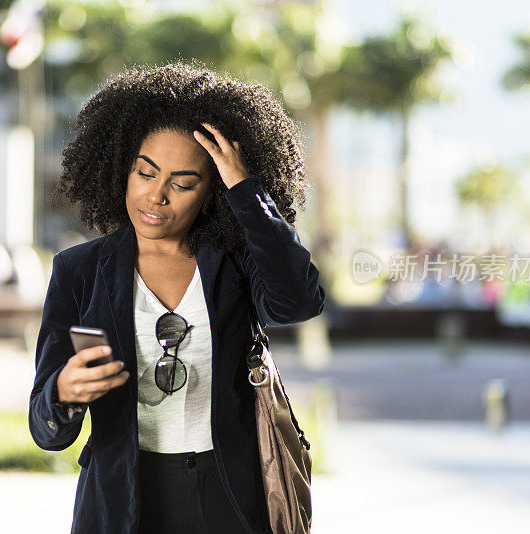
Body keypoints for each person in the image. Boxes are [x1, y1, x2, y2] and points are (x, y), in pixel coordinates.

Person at [29, 61, 326, 534]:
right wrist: (63, 393)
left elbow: (298, 302)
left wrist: (247, 192)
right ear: (122, 169)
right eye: (145, 173)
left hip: (230, 493)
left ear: (211, 193)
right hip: (125, 497)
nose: (156, 196)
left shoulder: (232, 263)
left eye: (183, 183)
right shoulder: (79, 271)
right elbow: (45, 426)